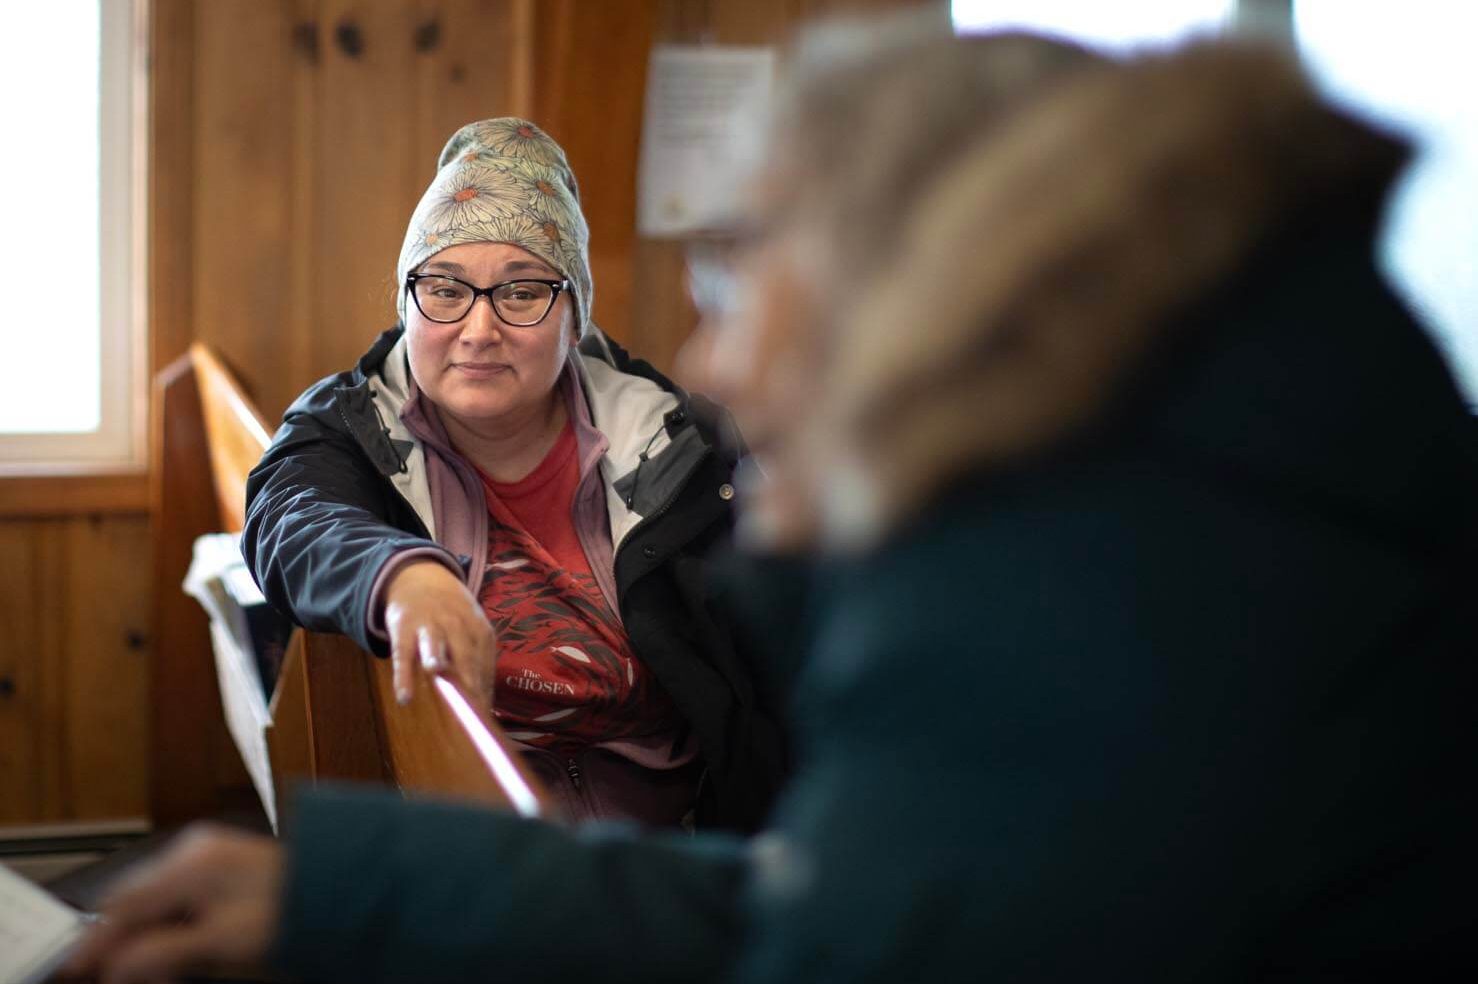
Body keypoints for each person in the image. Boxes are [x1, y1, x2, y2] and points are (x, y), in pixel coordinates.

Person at [70, 16, 1478, 984]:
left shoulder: (1120, 627)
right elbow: (855, 913)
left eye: (749, 274)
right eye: (445, 288)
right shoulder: (1171, 547)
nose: (716, 361)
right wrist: (349, 883)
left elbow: (828, 932)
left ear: (966, 299)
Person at [239, 117, 784, 831]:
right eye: (444, 287)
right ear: (407, 302)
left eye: (522, 292)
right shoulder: (351, 423)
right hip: (467, 832)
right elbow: (288, 515)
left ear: (574, 316)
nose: (478, 328)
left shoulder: (682, 440)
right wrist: (402, 575)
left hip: (673, 843)